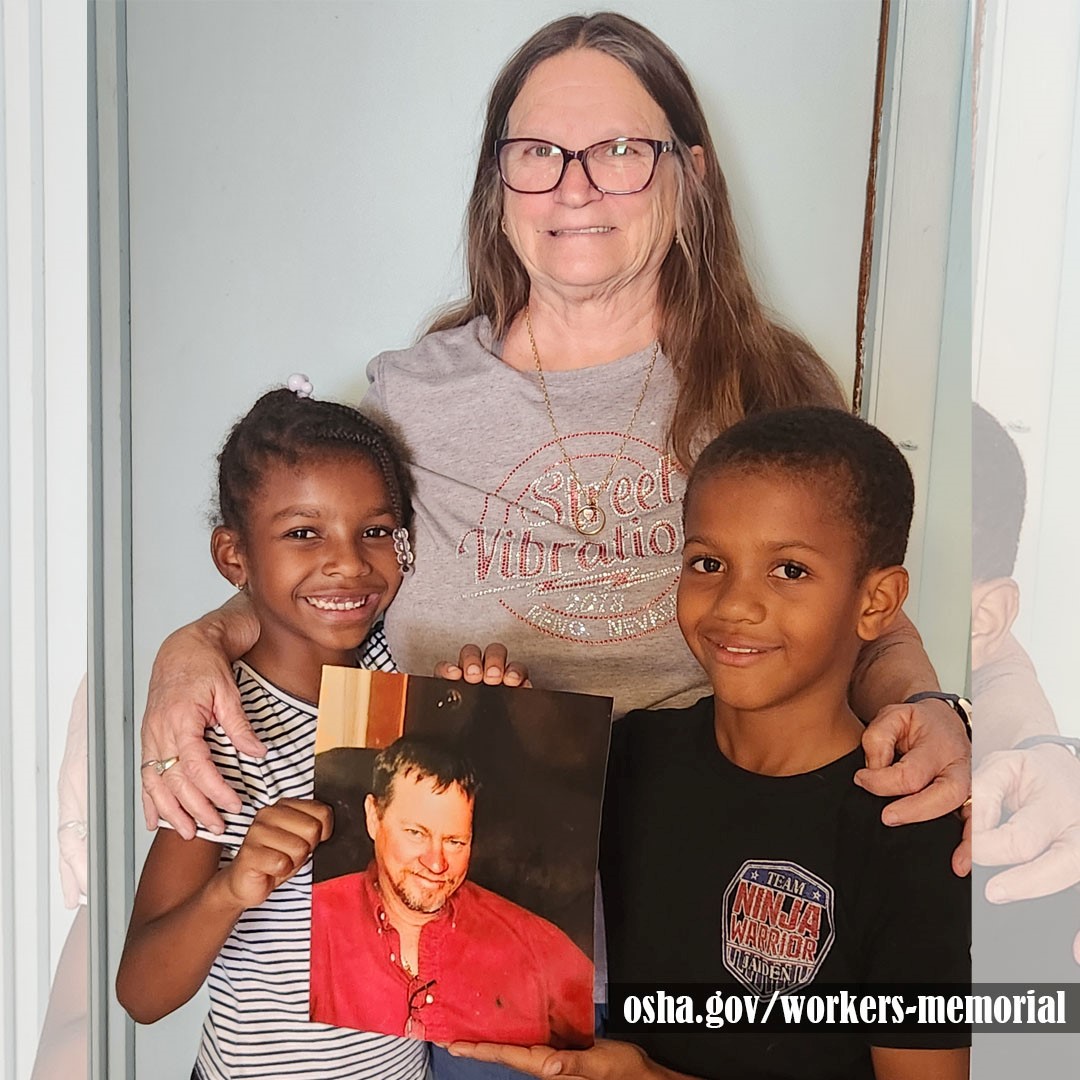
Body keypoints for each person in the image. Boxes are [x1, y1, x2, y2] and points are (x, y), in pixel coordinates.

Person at [139, 13, 970, 853]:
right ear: (498, 186)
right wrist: (192, 645)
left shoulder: (775, 391)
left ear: (691, 175)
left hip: (712, 862)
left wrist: (930, 707)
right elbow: (324, 579)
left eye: (619, 151)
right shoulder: (412, 397)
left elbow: (861, 614)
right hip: (464, 870)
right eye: (537, 153)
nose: (575, 188)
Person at [451, 406, 970, 1080]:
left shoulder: (910, 828)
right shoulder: (627, 759)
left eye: (789, 571)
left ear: (875, 602)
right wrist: (478, 735)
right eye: (708, 562)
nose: (732, 605)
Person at [116, 381, 522, 1080]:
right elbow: (142, 993)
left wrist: (488, 717)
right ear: (233, 557)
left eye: (376, 531)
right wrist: (231, 888)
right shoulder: (221, 733)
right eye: (304, 533)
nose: (349, 562)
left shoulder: (403, 684)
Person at [310, 735, 594, 1048]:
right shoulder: (312, 920)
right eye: (416, 833)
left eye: (455, 842)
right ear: (374, 818)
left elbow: (614, 1035)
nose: (436, 864)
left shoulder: (535, 944)